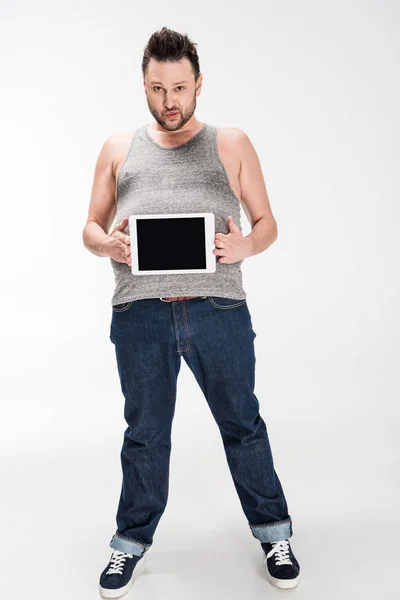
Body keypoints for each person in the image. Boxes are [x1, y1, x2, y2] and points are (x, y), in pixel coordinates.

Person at [82, 26, 300, 598]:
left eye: (179, 87)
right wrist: (106, 244)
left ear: (198, 84)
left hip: (218, 309)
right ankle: (129, 544)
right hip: (140, 316)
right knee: (145, 435)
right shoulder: (116, 148)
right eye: (157, 88)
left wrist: (247, 245)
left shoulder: (230, 142)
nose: (169, 101)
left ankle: (274, 532)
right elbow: (89, 226)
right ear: (145, 86)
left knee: (243, 426)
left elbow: (268, 221)